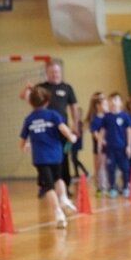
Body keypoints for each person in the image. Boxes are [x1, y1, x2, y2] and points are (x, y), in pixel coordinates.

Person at [19, 86, 79, 229]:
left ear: (31, 103)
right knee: (59, 179)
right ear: (47, 101)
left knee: (49, 186)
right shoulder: (53, 115)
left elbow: (22, 141)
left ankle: (58, 212)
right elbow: (63, 128)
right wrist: (71, 137)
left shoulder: (29, 119)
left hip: (40, 158)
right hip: (55, 155)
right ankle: (63, 198)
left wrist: (24, 147)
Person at [20, 61, 81, 191]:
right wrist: (26, 88)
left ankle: (64, 186)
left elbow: (74, 107)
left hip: (60, 129)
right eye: (52, 72)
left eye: (57, 72)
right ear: (47, 73)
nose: (55, 74)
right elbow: (24, 97)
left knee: (63, 157)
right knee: (42, 156)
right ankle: (45, 186)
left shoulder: (67, 88)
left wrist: (75, 125)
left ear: (61, 72)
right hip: (43, 130)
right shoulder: (41, 87)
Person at [100, 93, 131, 198]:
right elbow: (103, 131)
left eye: (116, 100)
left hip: (122, 147)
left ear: (120, 103)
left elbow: (129, 131)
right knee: (111, 168)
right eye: (111, 100)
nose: (113, 102)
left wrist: (129, 146)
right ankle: (113, 187)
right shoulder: (107, 117)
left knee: (125, 168)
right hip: (110, 148)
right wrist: (101, 142)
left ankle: (126, 187)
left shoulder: (125, 116)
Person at [87, 92, 109, 196]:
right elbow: (94, 132)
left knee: (108, 165)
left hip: (109, 145)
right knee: (99, 166)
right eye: (104, 104)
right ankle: (100, 186)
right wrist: (101, 140)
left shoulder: (108, 117)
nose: (107, 106)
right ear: (98, 106)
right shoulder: (96, 119)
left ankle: (109, 184)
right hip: (99, 147)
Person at [70, 106, 90, 179]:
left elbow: (78, 133)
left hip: (76, 143)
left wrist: (73, 132)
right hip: (72, 143)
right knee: (73, 159)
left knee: (74, 158)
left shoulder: (80, 123)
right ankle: (77, 174)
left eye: (78, 113)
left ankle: (85, 172)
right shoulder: (74, 123)